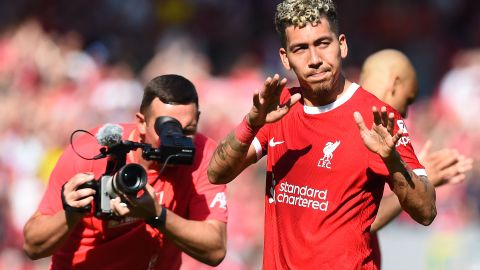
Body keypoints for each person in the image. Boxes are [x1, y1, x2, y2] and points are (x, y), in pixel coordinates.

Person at [207, 1, 436, 269]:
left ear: (342, 45)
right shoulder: (281, 107)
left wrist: (392, 160)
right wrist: (251, 124)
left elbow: (426, 212)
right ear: (285, 58)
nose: (314, 59)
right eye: (301, 49)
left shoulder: (377, 118)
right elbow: (216, 173)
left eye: (323, 43)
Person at [23, 74, 228, 269]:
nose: (178, 141)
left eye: (188, 131)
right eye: (167, 130)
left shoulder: (204, 155)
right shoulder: (90, 153)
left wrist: (156, 215)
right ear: (141, 122)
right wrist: (71, 213)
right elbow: (33, 246)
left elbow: (215, 249)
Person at [360, 49, 473, 233]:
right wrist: (417, 184)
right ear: (394, 84)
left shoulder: (346, 118)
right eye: (408, 99)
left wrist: (416, 181)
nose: (405, 113)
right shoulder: (363, 127)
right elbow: (353, 225)